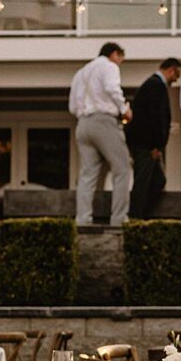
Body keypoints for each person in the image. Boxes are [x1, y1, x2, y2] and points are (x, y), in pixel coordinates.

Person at [69, 42, 132, 226]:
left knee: (88, 175)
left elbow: (72, 105)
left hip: (83, 123)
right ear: (115, 54)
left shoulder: (81, 73)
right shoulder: (108, 66)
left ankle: (83, 219)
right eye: (121, 59)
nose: (120, 64)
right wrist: (124, 109)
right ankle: (119, 219)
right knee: (122, 169)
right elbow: (112, 88)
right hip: (104, 121)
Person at [125, 57, 181, 219]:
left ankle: (140, 215)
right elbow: (156, 117)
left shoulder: (151, 84)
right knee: (144, 182)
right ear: (171, 70)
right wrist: (156, 145)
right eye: (176, 75)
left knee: (156, 181)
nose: (176, 79)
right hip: (146, 144)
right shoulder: (156, 85)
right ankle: (136, 216)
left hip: (145, 143)